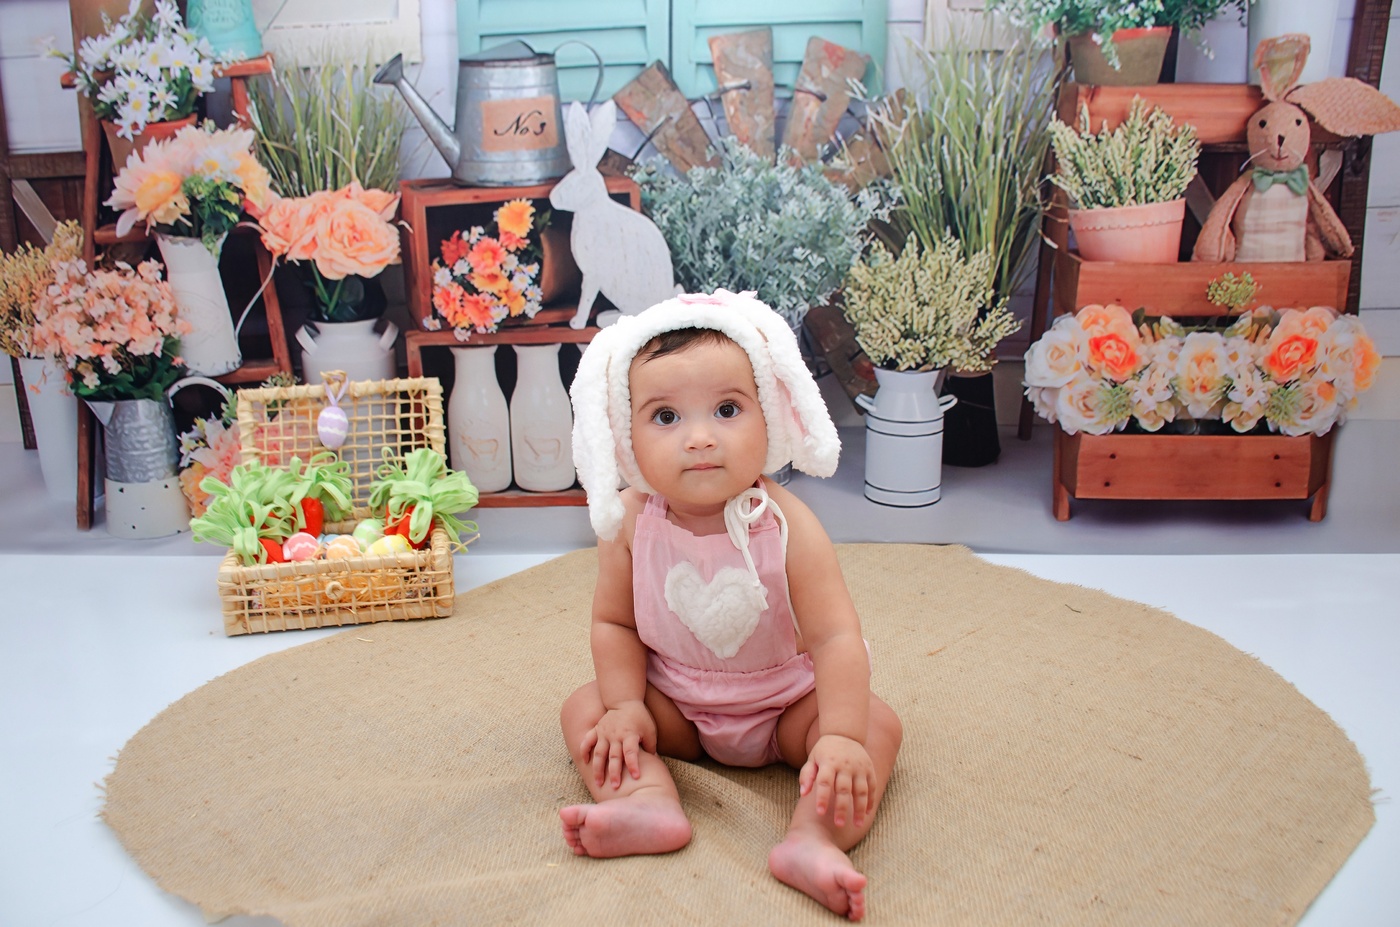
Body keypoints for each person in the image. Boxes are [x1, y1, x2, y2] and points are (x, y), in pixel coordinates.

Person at [561, 290, 903, 921]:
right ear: (626, 436)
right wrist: (629, 706)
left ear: (768, 416)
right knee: (586, 708)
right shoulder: (630, 523)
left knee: (874, 726)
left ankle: (814, 837)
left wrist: (840, 737)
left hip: (785, 708)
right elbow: (614, 623)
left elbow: (835, 638)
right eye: (666, 417)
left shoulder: (786, 522)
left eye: (726, 409)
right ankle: (644, 800)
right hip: (678, 707)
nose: (699, 438)